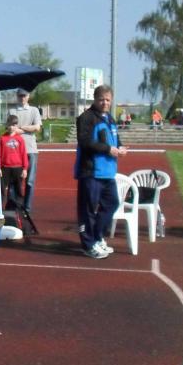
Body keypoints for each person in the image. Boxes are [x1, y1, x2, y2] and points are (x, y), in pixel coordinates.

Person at [74, 84, 128, 259]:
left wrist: (120, 147)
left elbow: (116, 139)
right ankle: (88, 245)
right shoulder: (86, 117)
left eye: (108, 100)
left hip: (108, 172)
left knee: (112, 204)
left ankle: (97, 237)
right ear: (95, 99)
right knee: (88, 210)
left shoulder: (110, 118)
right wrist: (107, 149)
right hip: (91, 172)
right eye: (101, 99)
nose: (105, 103)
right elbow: (84, 141)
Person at [7, 88, 42, 213]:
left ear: (28, 96)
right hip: (15, 150)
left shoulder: (34, 110)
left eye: (24, 95)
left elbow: (37, 127)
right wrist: (28, 129)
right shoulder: (11, 111)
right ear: (17, 96)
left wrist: (21, 128)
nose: (22, 98)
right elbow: (10, 128)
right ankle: (13, 206)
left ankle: (26, 208)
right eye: (20, 95)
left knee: (30, 181)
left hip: (31, 149)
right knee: (15, 180)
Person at [0, 114, 28, 211]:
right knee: (2, 189)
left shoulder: (20, 139)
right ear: (7, 125)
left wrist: (25, 169)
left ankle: (18, 210)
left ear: (16, 126)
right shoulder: (2, 138)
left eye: (14, 125)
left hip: (17, 168)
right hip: (5, 168)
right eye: (10, 125)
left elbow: (23, 154)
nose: (12, 127)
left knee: (18, 190)